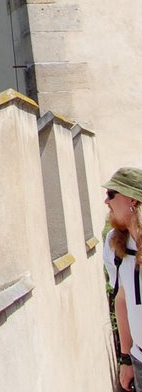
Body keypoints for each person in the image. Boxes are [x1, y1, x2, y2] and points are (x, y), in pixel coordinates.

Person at [104, 167, 142, 392]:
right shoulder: (114, 243)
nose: (106, 202)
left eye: (111, 194)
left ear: (131, 199)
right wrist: (126, 358)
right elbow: (122, 299)